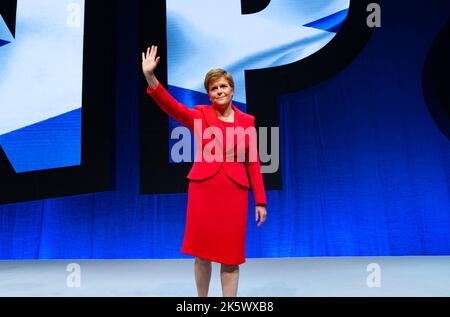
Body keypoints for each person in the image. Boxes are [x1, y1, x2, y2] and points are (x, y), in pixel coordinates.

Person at [142, 45, 267, 297]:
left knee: (231, 257)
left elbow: (253, 162)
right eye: (213, 88)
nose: (219, 91)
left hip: (235, 192)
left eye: (223, 86)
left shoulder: (248, 122)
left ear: (232, 89)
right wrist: (150, 77)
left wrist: (260, 201)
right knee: (202, 255)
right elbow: (172, 107)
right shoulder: (200, 115)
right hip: (204, 191)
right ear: (209, 94)